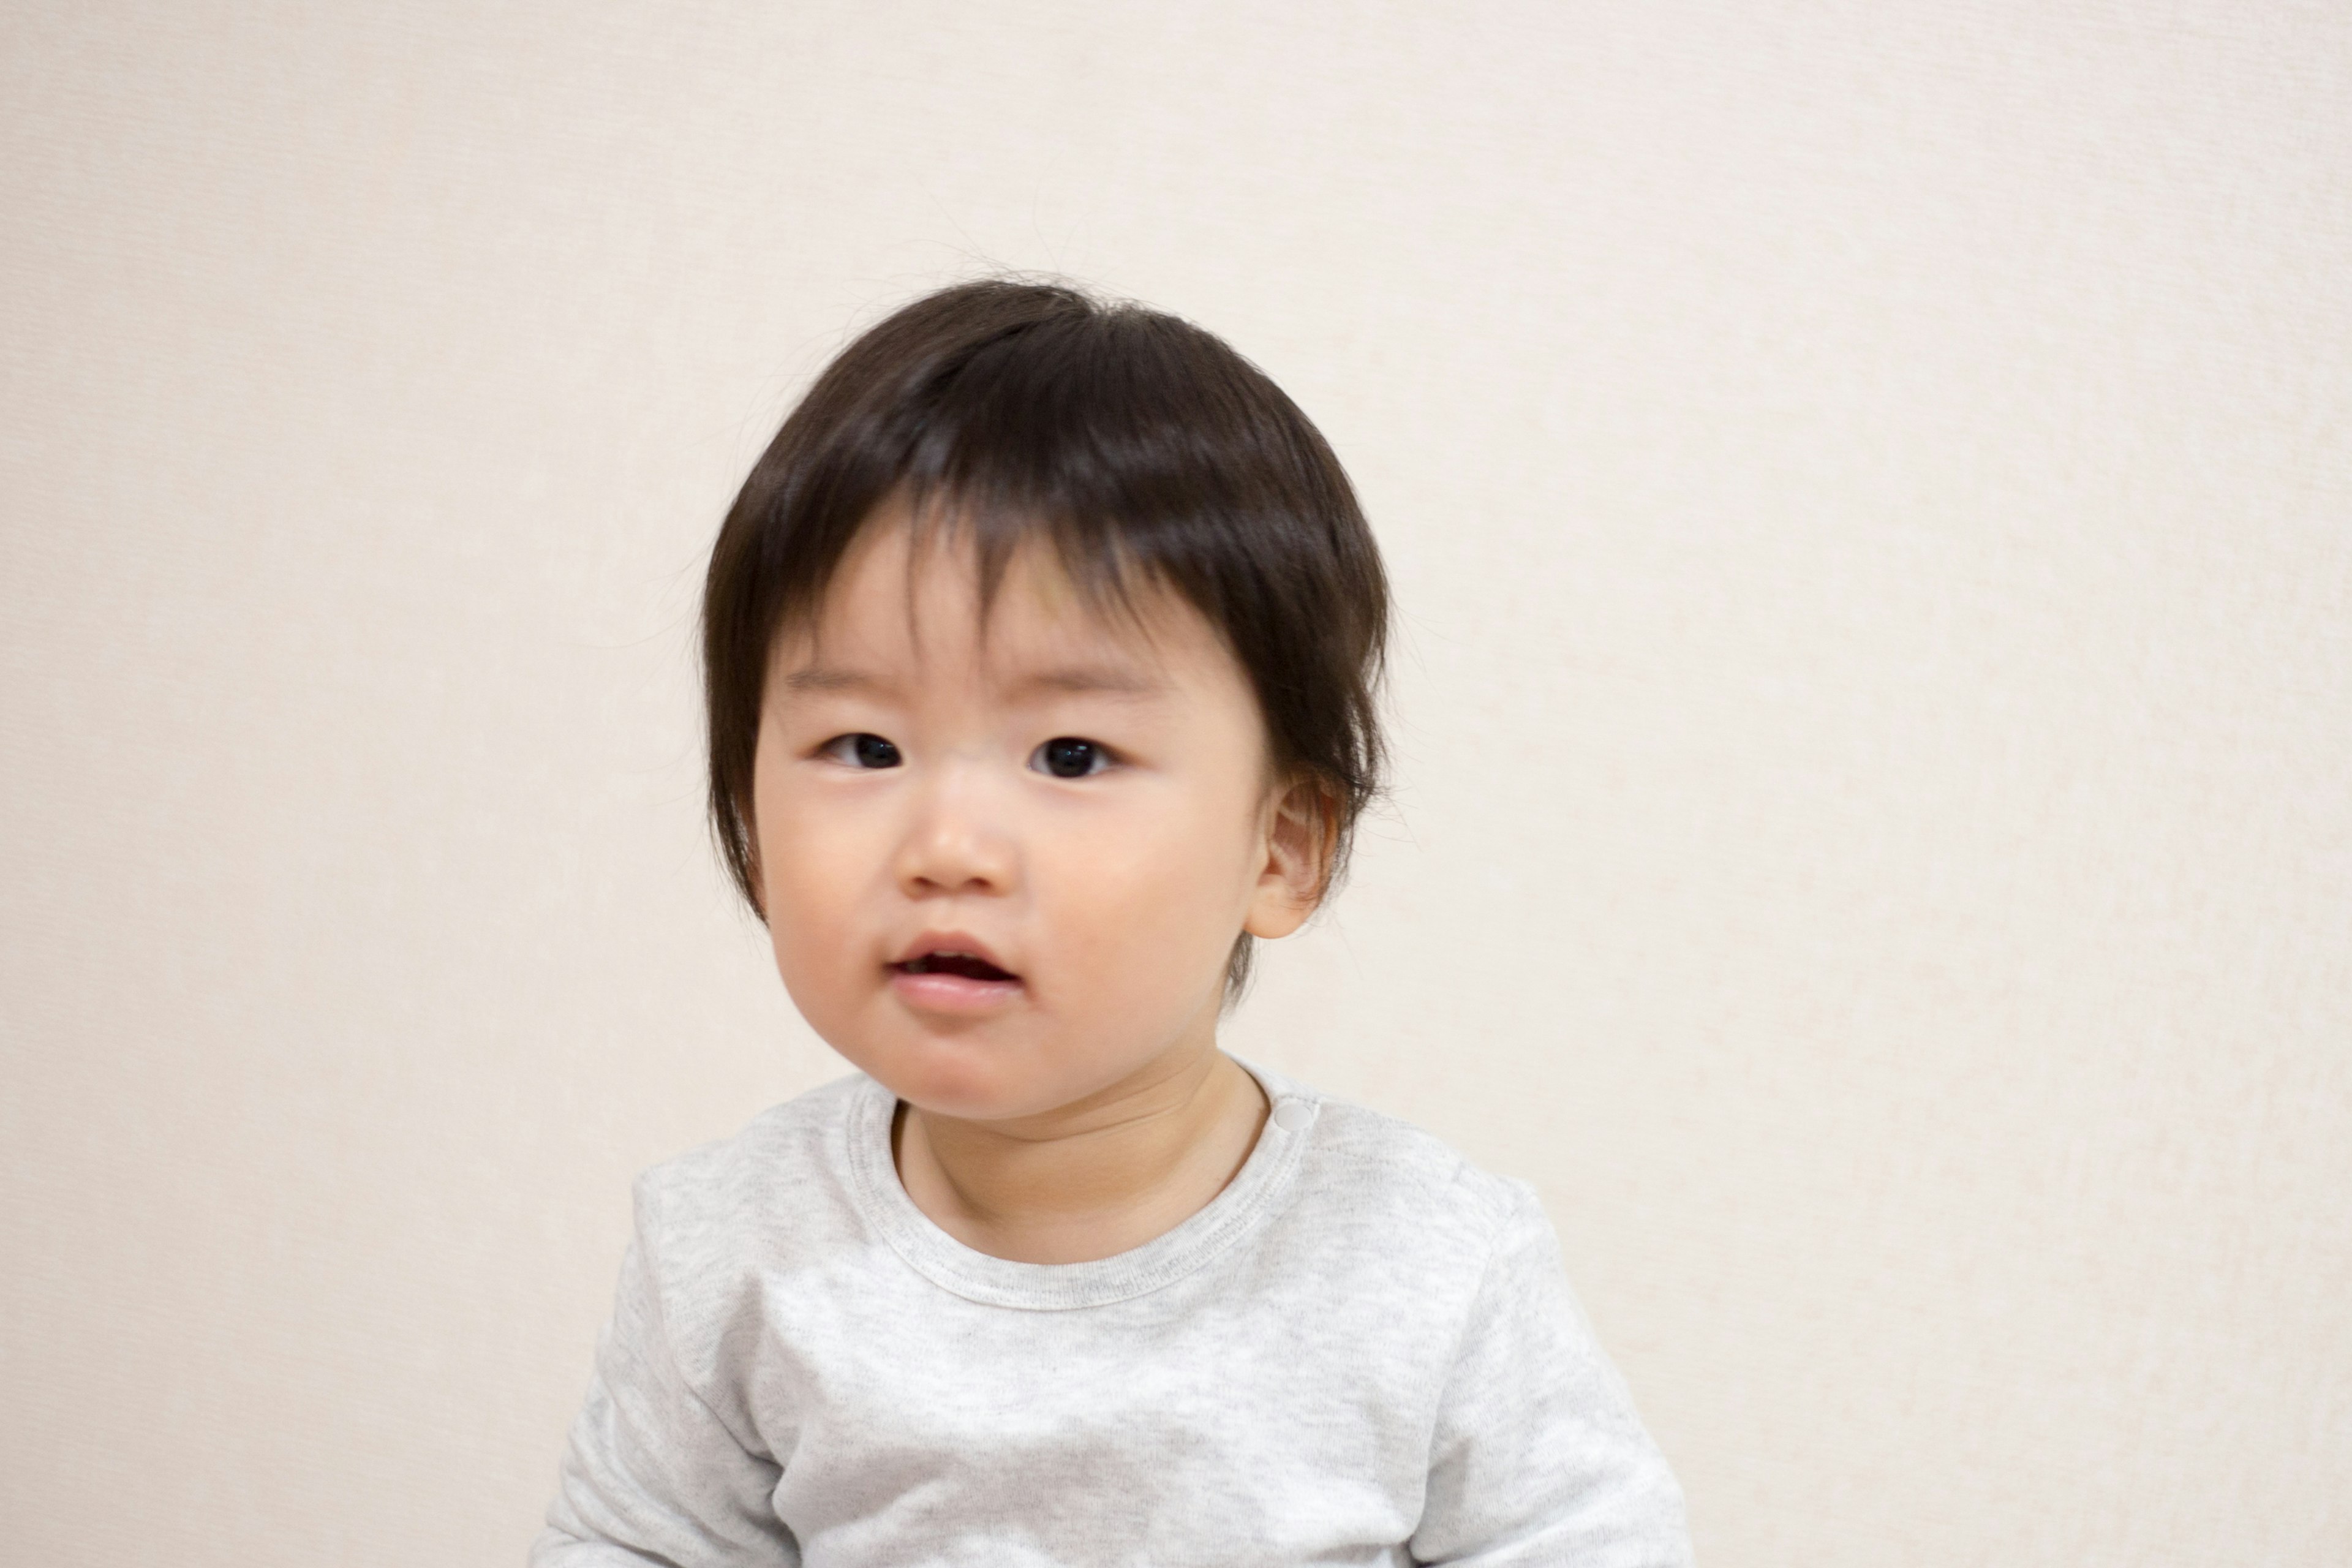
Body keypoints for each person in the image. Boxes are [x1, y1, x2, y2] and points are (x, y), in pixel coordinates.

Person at [534, 279, 1692, 1566]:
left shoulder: (1426, 1260)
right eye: (864, 744)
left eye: (1072, 754)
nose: (948, 847)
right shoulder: (732, 1247)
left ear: (1283, 844)